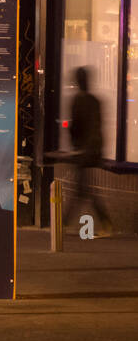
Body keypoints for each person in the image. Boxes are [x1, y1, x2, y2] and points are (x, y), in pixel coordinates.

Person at [64, 66, 109, 230]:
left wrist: (76, 144)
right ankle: (65, 222)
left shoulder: (78, 100)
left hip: (84, 150)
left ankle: (64, 223)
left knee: (82, 189)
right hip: (92, 150)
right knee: (83, 188)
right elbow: (97, 126)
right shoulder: (94, 100)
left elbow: (75, 126)